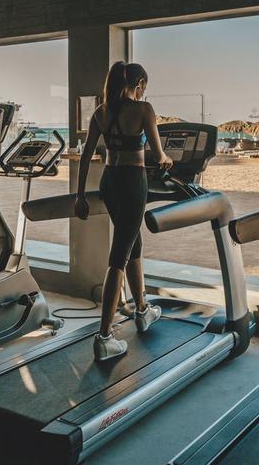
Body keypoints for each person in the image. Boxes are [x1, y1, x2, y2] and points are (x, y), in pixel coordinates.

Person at [74, 61, 173, 361]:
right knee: (119, 257)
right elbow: (158, 154)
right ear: (139, 83)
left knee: (132, 242)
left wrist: (80, 196)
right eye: (144, 86)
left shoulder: (101, 112)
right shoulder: (143, 110)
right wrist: (167, 160)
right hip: (132, 183)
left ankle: (142, 310)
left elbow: (86, 155)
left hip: (109, 183)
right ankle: (104, 337)